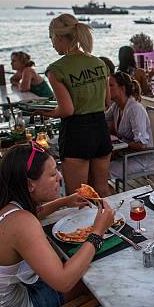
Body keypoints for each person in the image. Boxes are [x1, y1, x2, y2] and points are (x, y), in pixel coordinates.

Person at [0, 144, 115, 307]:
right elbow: (64, 281)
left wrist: (64, 202)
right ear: (30, 184)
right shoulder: (23, 224)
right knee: (93, 283)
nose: (60, 177)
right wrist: (98, 231)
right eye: (53, 174)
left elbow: (29, 213)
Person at [37, 14, 112, 197]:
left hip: (77, 133)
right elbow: (106, 103)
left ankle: (86, 227)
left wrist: (46, 112)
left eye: (52, 39)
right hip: (100, 130)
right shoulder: (99, 63)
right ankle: (112, 223)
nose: (53, 44)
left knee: (78, 196)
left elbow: (67, 110)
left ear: (60, 37)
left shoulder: (56, 70)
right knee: (102, 188)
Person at [106, 72, 154, 179]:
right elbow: (101, 120)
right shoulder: (116, 106)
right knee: (94, 168)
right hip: (124, 154)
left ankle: (112, 195)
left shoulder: (134, 109)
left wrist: (120, 146)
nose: (107, 89)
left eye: (110, 85)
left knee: (100, 174)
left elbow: (141, 145)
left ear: (122, 89)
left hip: (140, 158)